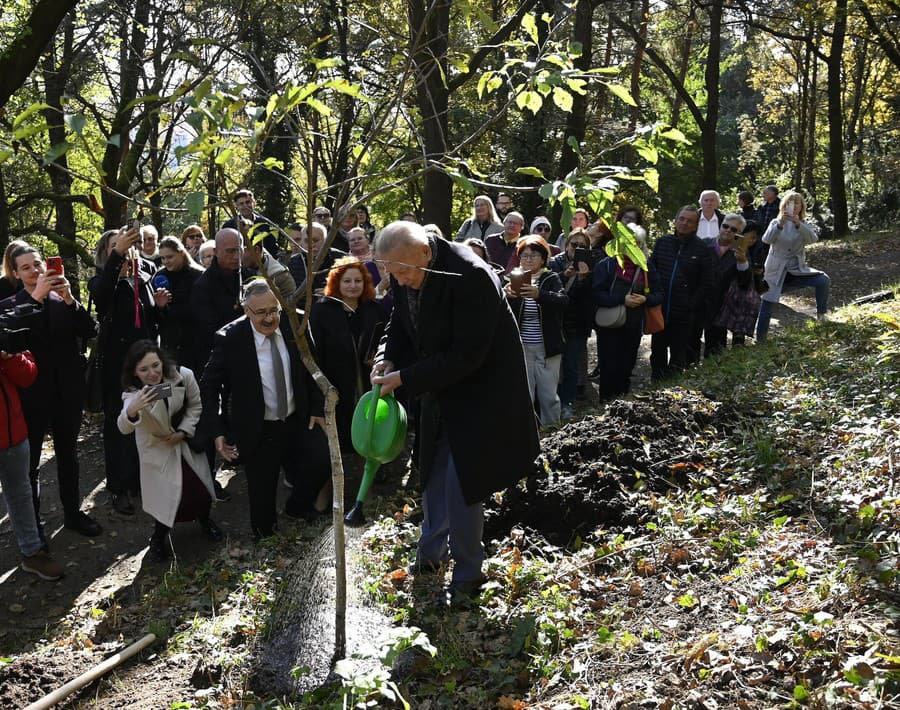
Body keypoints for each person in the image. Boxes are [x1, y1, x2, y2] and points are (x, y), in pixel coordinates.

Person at [371, 221, 539, 603]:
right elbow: (400, 320)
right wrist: (387, 357)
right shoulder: (405, 265)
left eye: (404, 273)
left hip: (480, 393)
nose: (400, 280)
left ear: (426, 254)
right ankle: (430, 555)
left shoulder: (471, 275)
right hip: (435, 388)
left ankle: (467, 573)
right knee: (431, 472)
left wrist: (406, 377)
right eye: (392, 274)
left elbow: (468, 356)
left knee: (464, 483)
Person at [199, 280, 331, 538]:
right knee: (262, 495)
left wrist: (317, 407)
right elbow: (209, 385)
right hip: (258, 428)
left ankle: (297, 507)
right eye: (261, 313)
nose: (270, 318)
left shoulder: (296, 323)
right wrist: (217, 430)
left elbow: (313, 367)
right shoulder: (230, 338)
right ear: (246, 311)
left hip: (298, 419)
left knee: (321, 461)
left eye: (275, 310)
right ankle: (265, 542)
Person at [2, 244, 101, 541]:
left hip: (67, 390)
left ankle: (73, 513)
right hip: (31, 394)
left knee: (68, 455)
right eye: (27, 268)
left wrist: (71, 300)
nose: (35, 271)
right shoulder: (10, 304)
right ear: (17, 274)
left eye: (38, 264)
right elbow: (11, 337)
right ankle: (34, 527)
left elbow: (90, 330)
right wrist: (35, 298)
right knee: (30, 465)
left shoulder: (62, 298)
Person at [118, 341, 222, 561]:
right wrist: (134, 409)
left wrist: (184, 431)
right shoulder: (132, 396)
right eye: (144, 369)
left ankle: (205, 520)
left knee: (200, 489)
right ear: (134, 372)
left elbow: (196, 404)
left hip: (185, 444)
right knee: (165, 499)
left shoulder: (183, 376)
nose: (152, 373)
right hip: (158, 451)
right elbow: (123, 426)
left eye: (155, 365)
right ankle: (158, 537)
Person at [88, 225, 163, 515]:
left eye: (123, 246)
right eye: (113, 248)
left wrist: (160, 308)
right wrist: (118, 255)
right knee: (118, 426)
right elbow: (101, 296)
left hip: (144, 368)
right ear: (106, 255)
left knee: (145, 421)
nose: (120, 251)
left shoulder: (142, 279)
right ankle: (118, 487)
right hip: (116, 369)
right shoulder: (101, 283)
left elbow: (150, 322)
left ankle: (137, 481)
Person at [0, 348, 65, 580]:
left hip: (13, 433)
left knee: (21, 493)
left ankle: (33, 553)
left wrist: (10, 357)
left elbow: (28, 375)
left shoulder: (6, 322)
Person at [310, 258, 385, 450]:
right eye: (347, 281)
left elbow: (385, 339)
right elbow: (315, 352)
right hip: (335, 382)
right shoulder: (321, 310)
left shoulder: (374, 309)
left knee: (369, 428)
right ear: (337, 282)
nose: (353, 286)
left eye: (358, 281)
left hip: (367, 381)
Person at [592, 225, 663, 399]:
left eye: (636, 243)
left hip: (633, 325)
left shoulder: (647, 267)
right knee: (608, 368)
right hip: (609, 325)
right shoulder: (606, 265)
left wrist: (645, 299)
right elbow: (596, 295)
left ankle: (622, 403)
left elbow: (659, 294)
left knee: (626, 366)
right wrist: (622, 299)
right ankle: (605, 406)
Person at [505, 236, 568, 426]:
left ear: (543, 259)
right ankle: (528, 435)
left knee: (548, 395)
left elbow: (563, 301)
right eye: (524, 256)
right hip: (521, 346)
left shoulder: (551, 278)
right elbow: (505, 314)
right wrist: (507, 296)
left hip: (547, 347)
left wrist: (539, 294)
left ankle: (552, 430)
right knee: (525, 394)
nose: (528, 260)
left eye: (533, 256)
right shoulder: (512, 278)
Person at [647, 206, 716, 380]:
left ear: (695, 225)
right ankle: (655, 390)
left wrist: (690, 305)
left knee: (679, 358)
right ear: (676, 220)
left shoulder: (702, 249)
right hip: (660, 312)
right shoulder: (663, 242)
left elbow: (707, 284)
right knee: (657, 356)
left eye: (689, 221)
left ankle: (674, 396)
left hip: (684, 316)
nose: (685, 223)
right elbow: (651, 272)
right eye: (682, 219)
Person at [756, 191, 830, 341]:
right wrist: (780, 224)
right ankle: (760, 338)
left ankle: (822, 314)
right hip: (776, 269)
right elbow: (766, 239)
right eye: (790, 202)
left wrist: (798, 224)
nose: (794, 206)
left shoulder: (805, 224)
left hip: (796, 269)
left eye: (797, 203)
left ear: (801, 206)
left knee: (823, 280)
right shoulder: (775, 222)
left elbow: (812, 239)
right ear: (784, 205)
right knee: (768, 301)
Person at [548, 229, 595, 419]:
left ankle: (567, 403)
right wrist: (564, 276)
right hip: (556, 322)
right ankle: (552, 402)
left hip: (578, 325)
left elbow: (591, 299)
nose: (577, 249)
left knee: (571, 366)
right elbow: (548, 289)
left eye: (582, 246)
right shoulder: (554, 262)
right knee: (553, 366)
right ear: (566, 244)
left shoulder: (592, 265)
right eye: (574, 244)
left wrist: (583, 279)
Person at [190, 228, 247, 376]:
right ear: (216, 251)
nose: (235, 256)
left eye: (238, 250)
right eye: (229, 251)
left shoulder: (248, 275)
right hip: (222, 359)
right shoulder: (203, 287)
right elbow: (210, 332)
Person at [702, 213, 752, 356]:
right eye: (725, 226)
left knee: (715, 349)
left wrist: (742, 261)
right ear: (720, 226)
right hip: (700, 302)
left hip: (722, 306)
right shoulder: (705, 244)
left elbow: (745, 282)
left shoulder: (741, 252)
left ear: (740, 233)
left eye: (734, 230)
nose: (728, 230)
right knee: (690, 342)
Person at [156, 236, 205, 372]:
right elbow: (155, 315)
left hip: (194, 343)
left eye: (170, 257)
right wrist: (160, 307)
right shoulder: (159, 276)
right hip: (169, 345)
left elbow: (199, 309)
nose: (166, 261)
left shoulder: (198, 275)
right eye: (163, 258)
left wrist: (169, 309)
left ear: (181, 253)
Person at [288, 222, 346, 296]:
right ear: (301, 242)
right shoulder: (293, 262)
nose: (311, 245)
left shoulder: (341, 259)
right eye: (307, 241)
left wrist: (332, 291)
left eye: (316, 240)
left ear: (325, 241)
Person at [223, 189, 279, 256]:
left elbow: (273, 248)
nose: (245, 206)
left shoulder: (265, 223)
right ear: (237, 206)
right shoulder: (229, 226)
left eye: (248, 202)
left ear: (254, 203)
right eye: (241, 204)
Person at [485, 211, 526, 275]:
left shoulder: (524, 245)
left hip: (512, 280)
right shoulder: (490, 240)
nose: (512, 225)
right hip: (490, 277)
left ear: (522, 227)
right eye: (510, 222)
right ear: (504, 223)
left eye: (516, 223)